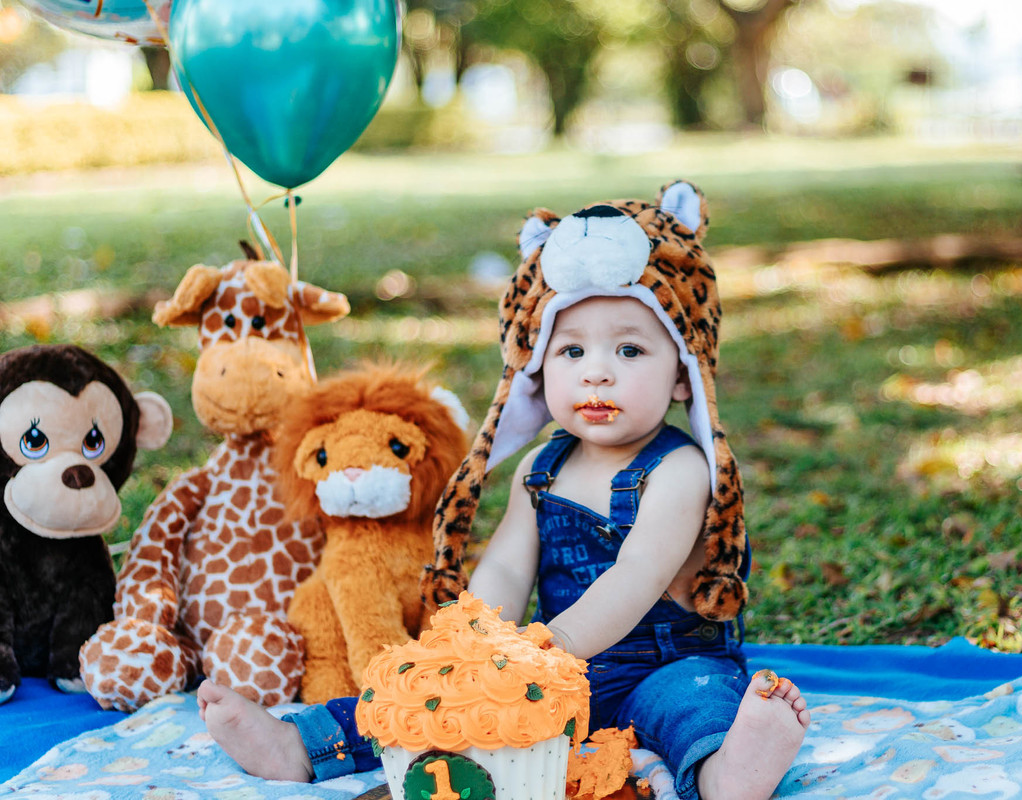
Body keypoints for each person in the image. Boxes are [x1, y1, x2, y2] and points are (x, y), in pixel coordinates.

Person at [197, 182, 810, 800]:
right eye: (572, 350)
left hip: (668, 661)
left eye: (629, 349)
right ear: (540, 372)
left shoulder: (680, 470)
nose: (597, 370)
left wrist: (554, 645)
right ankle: (301, 746)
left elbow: (637, 574)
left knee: (690, 708)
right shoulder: (540, 468)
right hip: (560, 672)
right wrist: (474, 644)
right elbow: (510, 567)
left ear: (683, 374)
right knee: (433, 703)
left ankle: (730, 770)